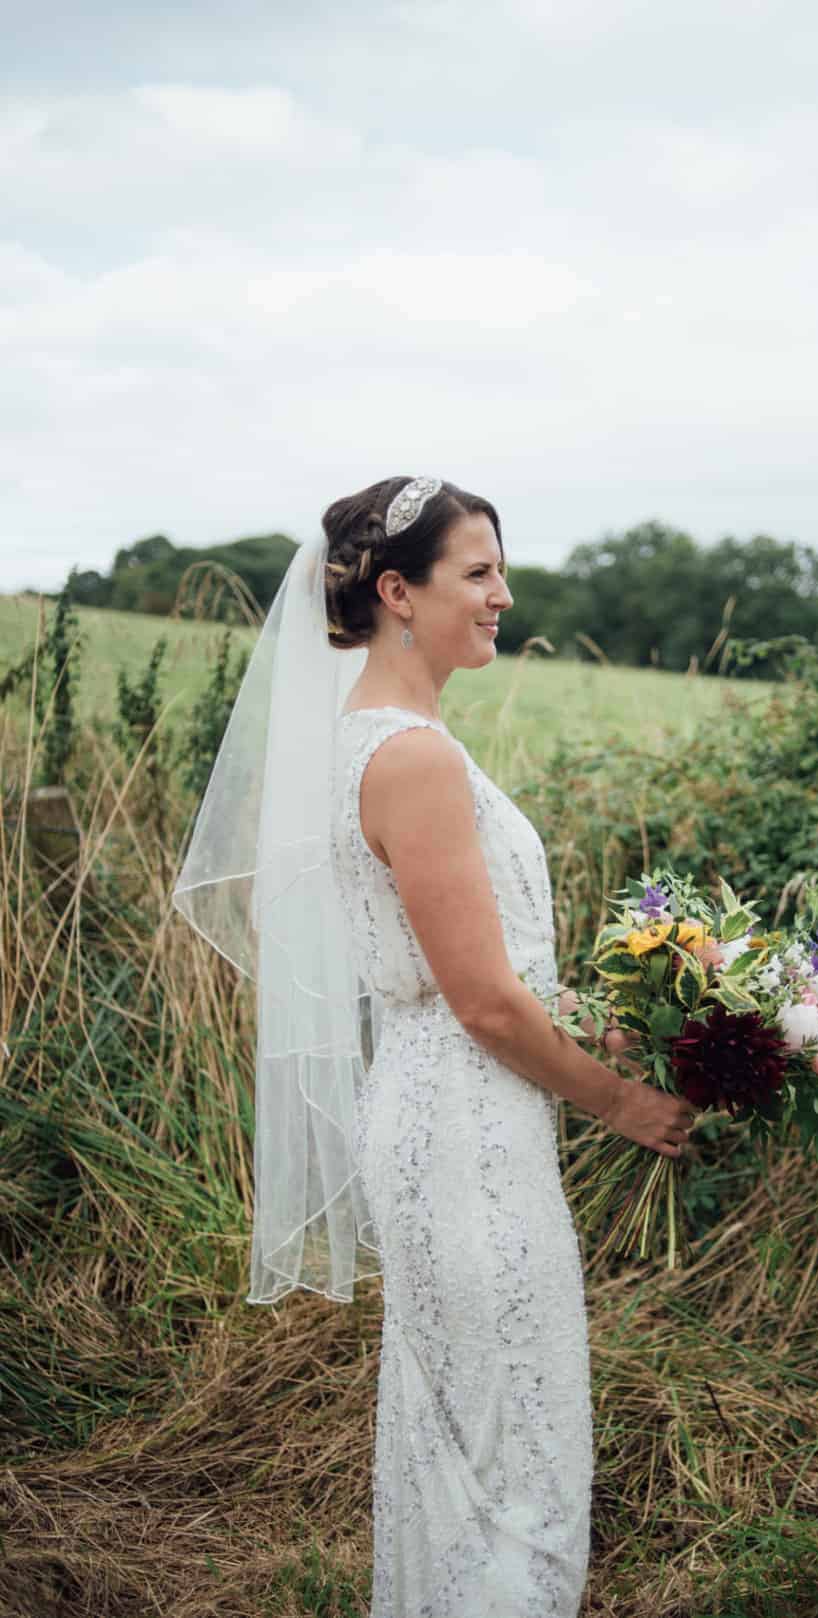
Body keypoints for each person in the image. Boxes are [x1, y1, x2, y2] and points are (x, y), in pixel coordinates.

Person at [174, 474, 696, 1617]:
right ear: (399, 592)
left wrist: (656, 1025)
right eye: (480, 572)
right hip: (464, 1130)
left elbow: (486, 979)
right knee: (520, 1470)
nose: (504, 595)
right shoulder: (413, 758)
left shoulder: (386, 739)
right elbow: (483, 1005)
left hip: (457, 1114)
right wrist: (624, 1103)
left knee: (474, 1449)